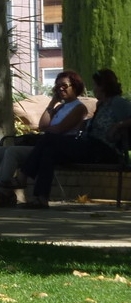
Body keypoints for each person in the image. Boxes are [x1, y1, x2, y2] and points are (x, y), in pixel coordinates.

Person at [17, 68, 131, 209]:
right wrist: (87, 123)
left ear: (104, 86)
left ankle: (22, 176)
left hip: (106, 150)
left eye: (96, 85)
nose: (94, 89)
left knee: (49, 138)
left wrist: (118, 125)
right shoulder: (101, 105)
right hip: (90, 146)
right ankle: (40, 198)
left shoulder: (118, 103)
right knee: (48, 152)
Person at [0, 70, 88, 207]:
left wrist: (47, 130)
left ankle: (3, 194)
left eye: (64, 85)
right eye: (57, 86)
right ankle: (5, 193)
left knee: (12, 152)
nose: (60, 89)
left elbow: (58, 130)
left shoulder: (79, 108)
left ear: (75, 86)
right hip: (43, 144)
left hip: (57, 146)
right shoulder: (60, 107)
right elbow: (42, 125)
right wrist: (52, 103)